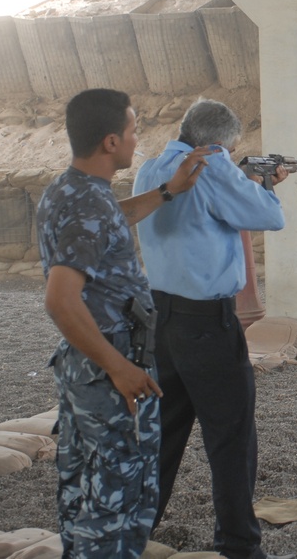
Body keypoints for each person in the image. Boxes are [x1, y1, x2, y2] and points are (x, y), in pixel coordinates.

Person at [37, 88, 212, 558]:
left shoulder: (70, 189)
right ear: (111, 141)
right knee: (118, 505)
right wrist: (119, 367)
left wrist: (169, 190)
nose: (139, 139)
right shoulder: (86, 203)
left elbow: (114, 220)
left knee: (83, 494)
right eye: (134, 130)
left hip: (84, 366)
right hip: (109, 369)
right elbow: (60, 299)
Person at [132, 99, 292, 559]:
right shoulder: (212, 165)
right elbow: (269, 217)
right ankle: (239, 546)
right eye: (232, 146)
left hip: (161, 319)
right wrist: (264, 185)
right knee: (231, 438)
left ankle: (130, 536)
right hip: (207, 321)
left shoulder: (150, 169)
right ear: (218, 143)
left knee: (161, 438)